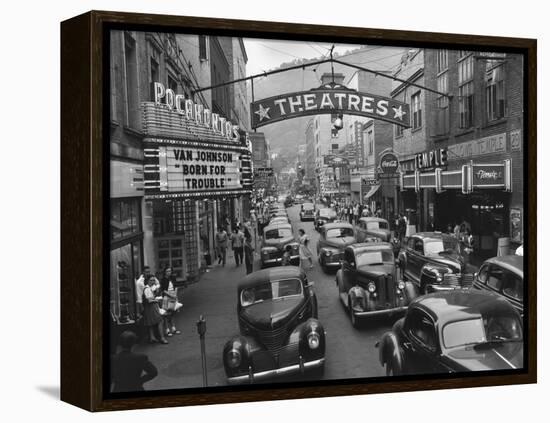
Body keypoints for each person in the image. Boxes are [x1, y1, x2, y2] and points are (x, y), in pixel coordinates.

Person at [142, 274, 168, 344]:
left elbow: (157, 285)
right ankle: (162, 338)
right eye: (151, 280)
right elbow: (149, 300)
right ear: (147, 281)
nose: (152, 282)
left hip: (151, 307)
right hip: (152, 307)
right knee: (160, 321)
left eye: (153, 280)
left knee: (151, 323)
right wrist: (156, 300)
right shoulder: (147, 289)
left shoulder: (150, 288)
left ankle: (152, 337)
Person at [159, 267, 181, 337]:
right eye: (167, 271)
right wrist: (171, 295)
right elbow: (163, 290)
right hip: (166, 297)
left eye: (170, 271)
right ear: (164, 272)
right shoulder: (163, 280)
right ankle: (167, 330)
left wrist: (175, 295)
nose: (169, 272)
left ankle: (173, 328)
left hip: (173, 296)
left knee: (172, 313)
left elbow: (176, 287)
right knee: (166, 314)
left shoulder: (173, 278)